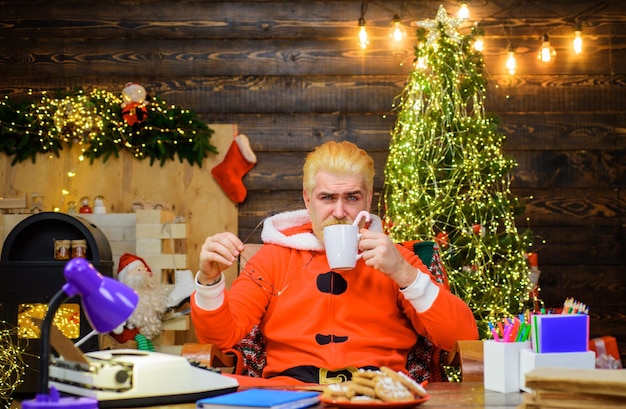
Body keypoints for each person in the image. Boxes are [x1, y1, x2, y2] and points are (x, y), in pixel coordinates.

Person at [191, 141, 478, 384]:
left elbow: (462, 337)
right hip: (292, 393)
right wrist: (209, 281)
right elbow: (221, 336)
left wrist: (403, 273)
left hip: (378, 392)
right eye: (327, 197)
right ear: (307, 200)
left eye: (351, 197)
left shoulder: (396, 258)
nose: (339, 212)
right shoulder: (274, 256)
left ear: (368, 201)